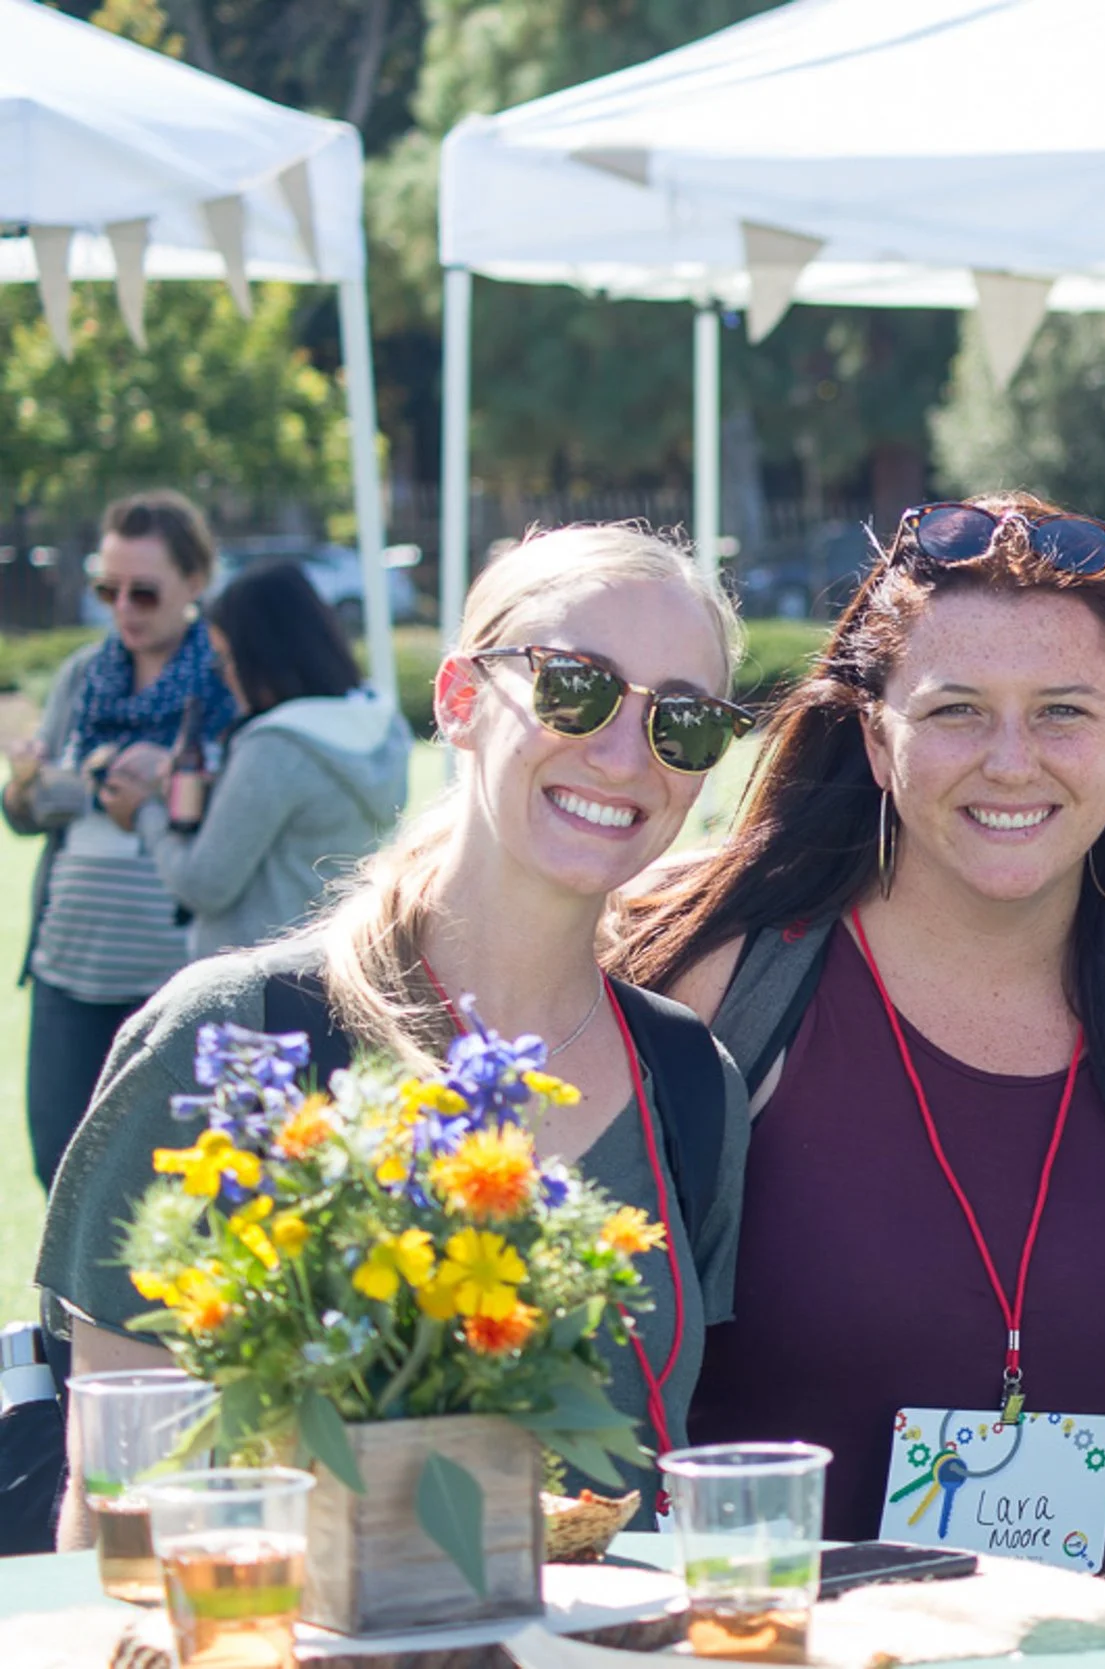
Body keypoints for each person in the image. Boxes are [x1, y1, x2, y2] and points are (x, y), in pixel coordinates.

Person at [37, 524, 755, 1525]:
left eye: (683, 719)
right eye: (576, 686)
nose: (625, 753)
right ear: (459, 698)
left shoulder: (691, 1079)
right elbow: (118, 1513)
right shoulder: (238, 1041)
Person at [617, 494, 1105, 1594]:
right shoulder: (716, 982)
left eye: (1063, 712)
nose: (1011, 760)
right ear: (876, 742)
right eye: (955, 712)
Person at [3, 491, 240, 1188]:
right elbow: (26, 809)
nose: (123, 609)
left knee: (164, 1185)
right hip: (67, 966)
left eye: (144, 591)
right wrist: (26, 785)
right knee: (61, 1168)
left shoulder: (225, 680)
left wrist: (146, 787)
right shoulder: (82, 674)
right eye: (107, 589)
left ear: (195, 583)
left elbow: (235, 807)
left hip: (175, 973)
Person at [97, 559, 413, 959]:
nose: (225, 676)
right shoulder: (384, 725)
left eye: (227, 659)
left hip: (261, 980)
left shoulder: (275, 747)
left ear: (265, 655)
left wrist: (143, 809)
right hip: (343, 964)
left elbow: (205, 885)